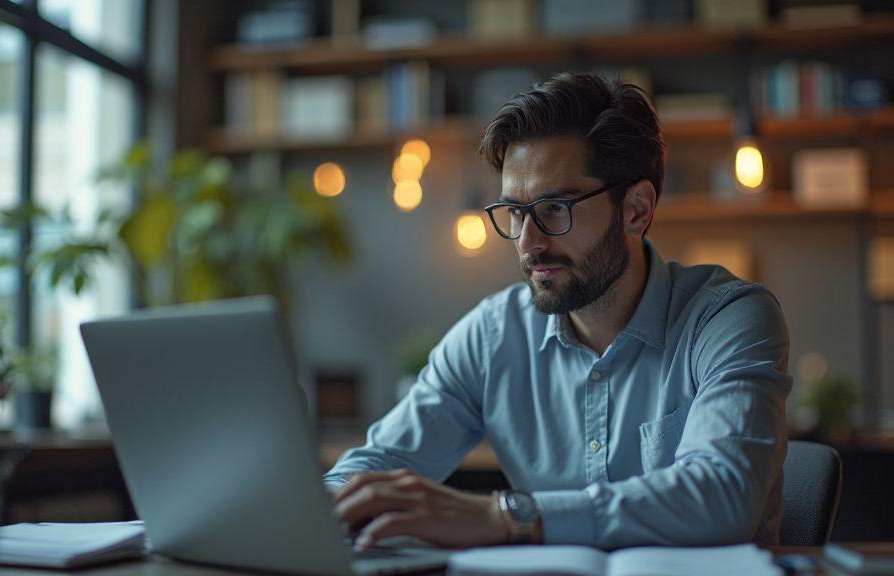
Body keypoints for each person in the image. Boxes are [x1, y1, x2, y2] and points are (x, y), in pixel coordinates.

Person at [325, 72, 792, 551]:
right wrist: (320, 507)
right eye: (514, 212)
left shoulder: (728, 318)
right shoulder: (493, 336)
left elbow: (722, 496)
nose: (528, 243)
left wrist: (506, 517)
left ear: (636, 209)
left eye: (554, 208)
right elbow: (375, 464)